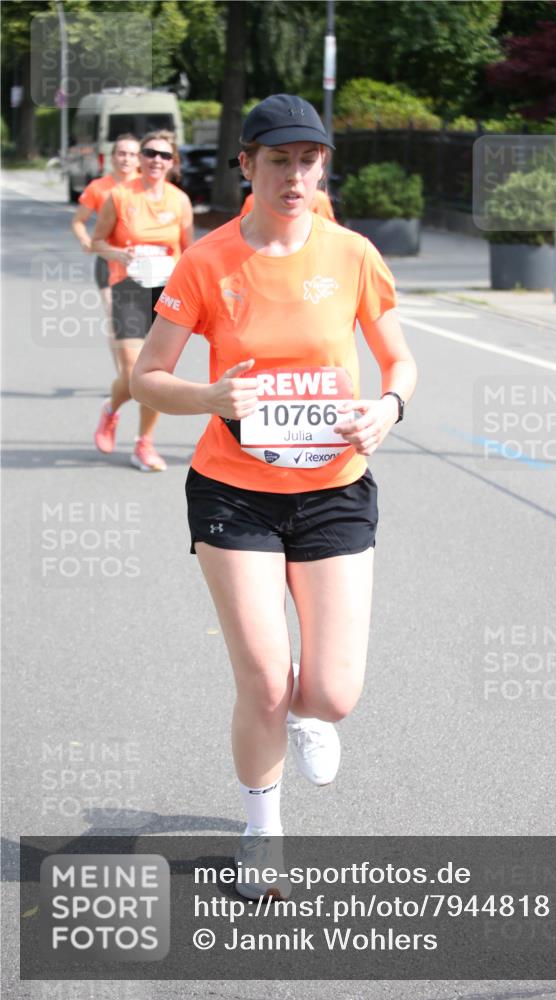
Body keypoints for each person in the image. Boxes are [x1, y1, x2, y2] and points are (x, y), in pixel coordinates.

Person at [130, 94, 417, 898]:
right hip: (234, 492)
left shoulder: (352, 254)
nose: (295, 176)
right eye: (279, 160)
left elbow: (398, 361)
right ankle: (262, 831)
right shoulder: (208, 261)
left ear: (323, 167)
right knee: (262, 678)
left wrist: (388, 408)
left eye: (309, 161)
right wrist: (209, 398)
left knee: (330, 693)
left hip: (333, 491)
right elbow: (146, 375)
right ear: (247, 165)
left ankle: (307, 711)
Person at [91, 130, 194, 471]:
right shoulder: (120, 196)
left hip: (167, 292)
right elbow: (96, 242)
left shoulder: (180, 201)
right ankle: (111, 409)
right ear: (141, 157)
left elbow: (189, 251)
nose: (156, 160)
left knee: (156, 374)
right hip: (129, 287)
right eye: (150, 153)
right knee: (134, 374)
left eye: (165, 155)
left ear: (172, 162)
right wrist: (118, 253)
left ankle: (144, 444)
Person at [71, 133, 141, 353]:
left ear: (139, 159)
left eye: (132, 154)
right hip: (109, 261)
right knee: (116, 318)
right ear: (112, 157)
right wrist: (85, 240)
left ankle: (137, 365)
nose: (126, 159)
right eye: (122, 153)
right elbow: (78, 221)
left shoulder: (148, 186)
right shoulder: (98, 187)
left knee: (143, 322)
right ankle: (124, 366)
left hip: (143, 262)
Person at [240, 185, 336, 222]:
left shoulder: (319, 199)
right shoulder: (253, 200)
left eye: (307, 160)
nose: (294, 175)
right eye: (278, 161)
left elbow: (328, 238)